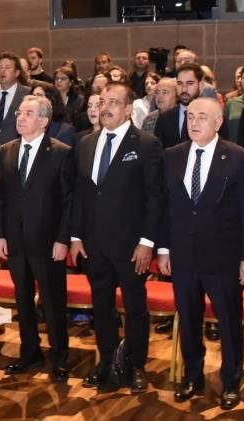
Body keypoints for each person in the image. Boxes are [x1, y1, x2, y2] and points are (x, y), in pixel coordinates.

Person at [157, 98, 244, 410]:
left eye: (203, 117)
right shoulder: (171, 155)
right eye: (190, 116)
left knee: (228, 322)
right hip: (183, 255)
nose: (195, 122)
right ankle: (192, 377)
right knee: (188, 320)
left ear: (218, 122)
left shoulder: (238, 157)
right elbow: (165, 208)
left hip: (223, 257)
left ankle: (231, 381)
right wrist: (163, 248)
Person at [70, 82, 163, 394]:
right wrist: (76, 236)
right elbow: (80, 194)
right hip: (94, 243)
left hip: (131, 246)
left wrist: (147, 242)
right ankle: (107, 361)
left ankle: (136, 365)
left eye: (113, 102)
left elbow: (154, 198)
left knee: (135, 307)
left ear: (128, 109)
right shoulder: (86, 142)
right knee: (101, 307)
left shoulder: (147, 144)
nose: (105, 108)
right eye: (102, 102)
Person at [0, 94, 74, 383]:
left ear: (43, 121)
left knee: (53, 302)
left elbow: (69, 202)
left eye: (28, 113)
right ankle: (30, 353)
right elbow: (0, 199)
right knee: (23, 299)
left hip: (48, 242)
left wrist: (63, 239)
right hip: (16, 240)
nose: (20, 117)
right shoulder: (6, 151)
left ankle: (59, 357)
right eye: (19, 112)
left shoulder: (61, 152)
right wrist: (0, 235)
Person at [30, 81, 76, 146]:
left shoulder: (65, 131)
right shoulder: (27, 123)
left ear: (51, 100)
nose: (33, 99)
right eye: (33, 96)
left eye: (39, 95)